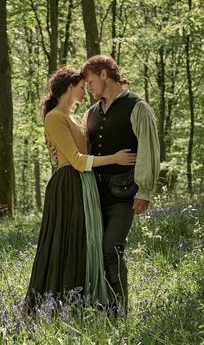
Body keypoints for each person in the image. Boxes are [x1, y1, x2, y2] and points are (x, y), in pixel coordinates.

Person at [25, 67, 136, 312]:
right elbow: (75, 160)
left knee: (85, 243)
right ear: (68, 88)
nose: (85, 90)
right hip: (68, 185)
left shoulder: (75, 117)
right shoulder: (54, 117)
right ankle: (57, 305)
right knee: (67, 243)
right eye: (81, 86)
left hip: (84, 183)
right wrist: (114, 158)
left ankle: (81, 303)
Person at [81, 55, 160, 313]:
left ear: (104, 74)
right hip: (93, 193)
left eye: (90, 81)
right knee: (94, 252)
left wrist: (145, 190)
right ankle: (100, 307)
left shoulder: (137, 107)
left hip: (123, 194)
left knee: (111, 248)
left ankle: (119, 312)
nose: (88, 88)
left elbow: (149, 149)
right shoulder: (91, 113)